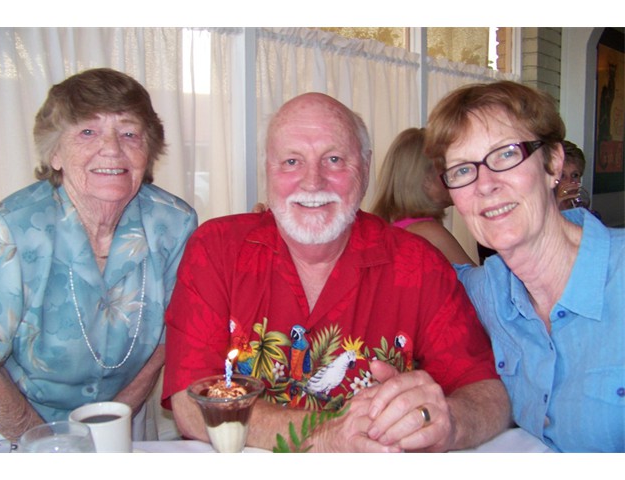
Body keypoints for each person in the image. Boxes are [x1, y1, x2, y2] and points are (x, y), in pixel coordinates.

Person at [162, 92, 511, 453]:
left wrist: (450, 422)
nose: (313, 183)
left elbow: (488, 391)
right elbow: (190, 403)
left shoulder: (419, 264)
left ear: (365, 166)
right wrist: (325, 434)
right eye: (291, 161)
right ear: (267, 169)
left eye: (334, 159)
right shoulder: (217, 249)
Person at [0, 68, 198, 442]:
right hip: (14, 425)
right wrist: (47, 446)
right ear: (55, 153)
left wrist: (112, 420)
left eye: (129, 133)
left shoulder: (173, 223)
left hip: (123, 419)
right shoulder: (9, 231)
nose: (112, 149)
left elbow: (170, 335)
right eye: (88, 131)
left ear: (148, 151)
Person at [424, 80, 624, 452]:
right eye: (463, 170)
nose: (485, 185)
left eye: (505, 155)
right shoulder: (485, 292)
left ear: (553, 164)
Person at [371, 127, 476, 265]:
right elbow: (483, 285)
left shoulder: (388, 229)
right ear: (426, 178)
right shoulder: (429, 233)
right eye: (448, 169)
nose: (455, 177)